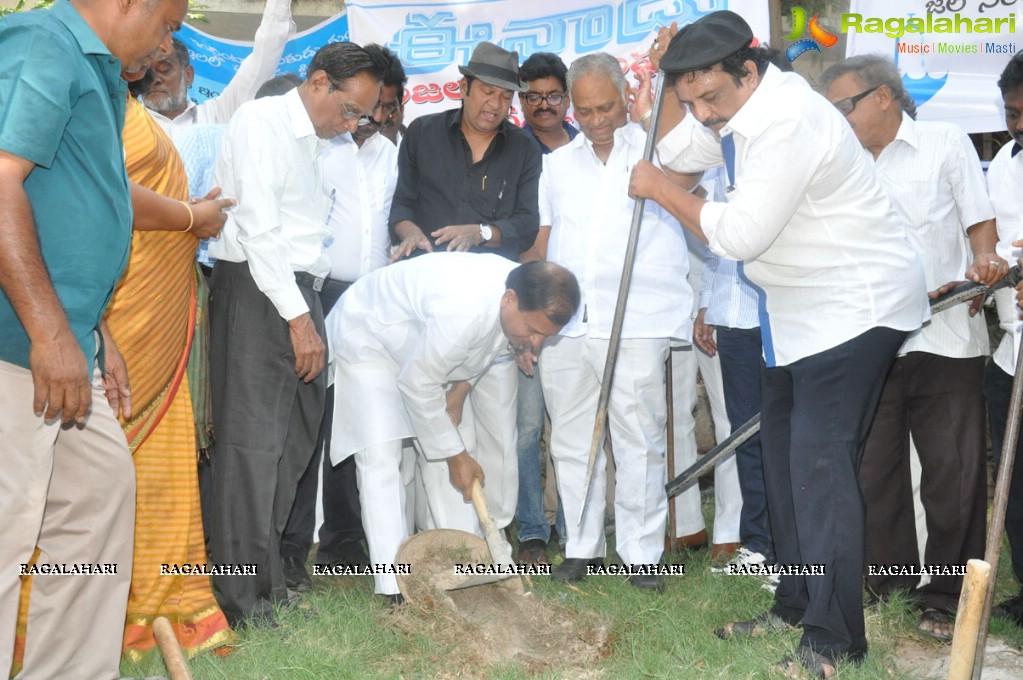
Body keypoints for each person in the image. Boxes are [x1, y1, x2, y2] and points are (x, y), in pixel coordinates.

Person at [629, 11, 927, 675]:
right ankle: (794, 603)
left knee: (820, 471)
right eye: (690, 101)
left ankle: (833, 643)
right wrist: (663, 103)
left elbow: (736, 236)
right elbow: (680, 157)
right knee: (787, 467)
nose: (703, 113)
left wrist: (656, 189)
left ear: (748, 68)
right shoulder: (734, 113)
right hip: (796, 314)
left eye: (711, 97)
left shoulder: (786, 118)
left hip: (855, 305)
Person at [0, 0, 186, 676]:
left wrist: (92, 330)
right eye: (167, 22)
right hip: (13, 347)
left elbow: (86, 203)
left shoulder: (102, 73)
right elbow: (0, 182)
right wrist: (51, 334)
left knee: (98, 498)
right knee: (6, 530)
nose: (167, 45)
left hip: (64, 343)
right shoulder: (42, 41)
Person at [822, 54, 1002, 642]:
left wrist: (983, 265)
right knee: (874, 473)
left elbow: (981, 228)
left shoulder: (945, 142)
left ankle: (946, 598)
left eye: (844, 105)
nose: (838, 118)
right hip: (869, 339)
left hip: (946, 334)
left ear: (883, 97)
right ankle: (889, 587)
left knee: (953, 473)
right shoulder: (840, 163)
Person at [206, 41, 381, 627]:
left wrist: (305, 309)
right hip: (261, 294)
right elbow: (258, 228)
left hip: (298, 292)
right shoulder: (262, 121)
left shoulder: (316, 141)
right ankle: (237, 600)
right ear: (319, 82)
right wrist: (298, 318)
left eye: (363, 117)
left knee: (294, 447)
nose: (353, 125)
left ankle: (267, 583)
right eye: (351, 110)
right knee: (250, 449)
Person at [325, 254, 580, 602]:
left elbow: (480, 349)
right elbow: (418, 383)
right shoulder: (465, 308)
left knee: (452, 452)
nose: (535, 344)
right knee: (381, 456)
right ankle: (393, 589)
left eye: (545, 337)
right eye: (534, 331)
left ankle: (464, 570)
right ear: (510, 300)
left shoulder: (516, 295)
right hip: (369, 338)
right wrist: (456, 455)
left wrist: (460, 392)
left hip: (421, 349)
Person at [538, 53, 691, 592]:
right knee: (572, 440)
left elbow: (691, 183)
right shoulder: (556, 164)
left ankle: (642, 554)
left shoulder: (654, 151)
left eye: (606, 106)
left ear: (626, 96)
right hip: (568, 323)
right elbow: (547, 236)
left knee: (638, 437)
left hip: (637, 316)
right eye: (585, 109)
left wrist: (654, 119)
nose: (597, 119)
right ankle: (582, 547)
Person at [281, 44, 405, 591]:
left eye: (379, 105)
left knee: (359, 427)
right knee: (312, 422)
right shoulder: (316, 145)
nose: (369, 117)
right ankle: (295, 546)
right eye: (361, 104)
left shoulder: (390, 153)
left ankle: (344, 544)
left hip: (373, 301)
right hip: (316, 295)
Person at [389, 41, 541, 262]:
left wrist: (481, 233)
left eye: (506, 97)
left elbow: (527, 225)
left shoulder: (525, 148)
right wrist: (411, 233)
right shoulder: (422, 133)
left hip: (489, 280)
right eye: (487, 92)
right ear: (463, 88)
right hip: (426, 269)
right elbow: (402, 204)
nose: (496, 104)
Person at [514, 51, 577, 565]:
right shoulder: (517, 152)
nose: (543, 105)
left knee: (574, 427)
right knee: (528, 426)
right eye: (532, 97)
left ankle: (577, 527)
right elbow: (528, 238)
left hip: (582, 312)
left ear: (567, 98)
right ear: (520, 101)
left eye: (553, 95)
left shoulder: (589, 147)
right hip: (536, 310)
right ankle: (534, 529)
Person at [138, 0, 294, 141]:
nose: (155, 79)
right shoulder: (126, 125)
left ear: (188, 75)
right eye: (147, 72)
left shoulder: (216, 115)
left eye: (165, 69)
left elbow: (263, 61)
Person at [987, 49, 1023, 628]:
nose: (1016, 124)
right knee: (1014, 481)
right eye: (1012, 113)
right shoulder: (1003, 164)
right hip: (1011, 349)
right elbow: (994, 238)